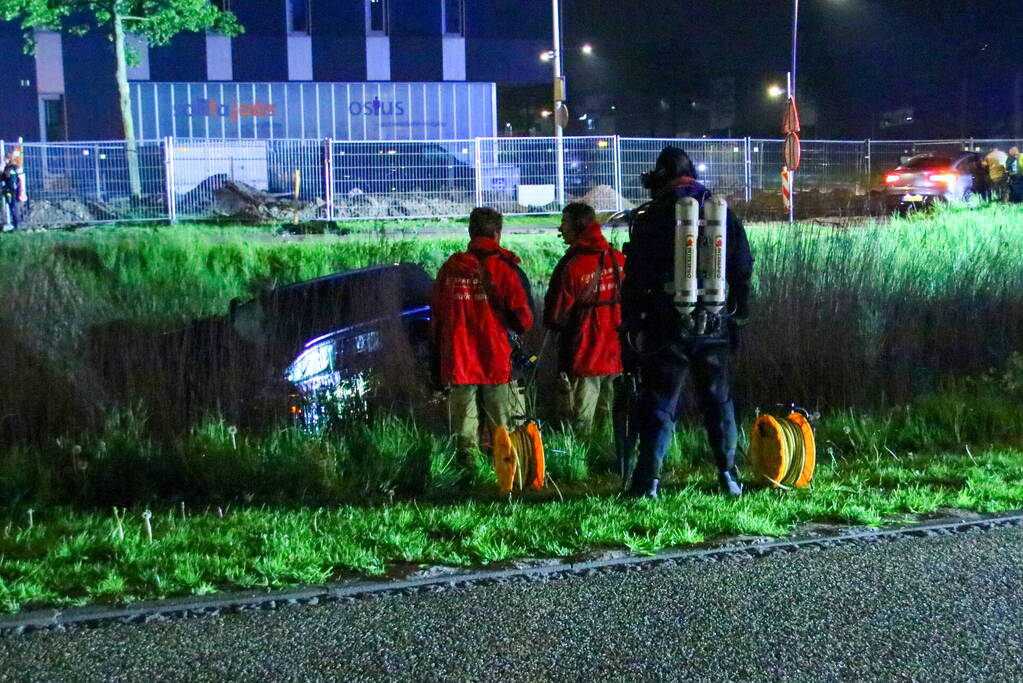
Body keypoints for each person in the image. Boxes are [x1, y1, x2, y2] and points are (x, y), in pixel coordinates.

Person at [621, 146, 754, 498]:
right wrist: (738, 313)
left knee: (660, 401)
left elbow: (635, 277)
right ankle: (729, 476)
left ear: (661, 176)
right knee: (718, 400)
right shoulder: (719, 212)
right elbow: (741, 265)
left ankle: (647, 482)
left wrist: (632, 323)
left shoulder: (654, 215)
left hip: (667, 320)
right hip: (715, 318)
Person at [432, 207, 534, 458]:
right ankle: (508, 479)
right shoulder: (505, 270)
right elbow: (524, 319)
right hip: (497, 361)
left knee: (464, 432)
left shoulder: (449, 270)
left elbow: (437, 317)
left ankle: (470, 476)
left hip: (460, 362)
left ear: (470, 232)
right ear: (497, 234)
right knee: (504, 430)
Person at [543, 202, 625, 436]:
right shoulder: (618, 259)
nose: (561, 229)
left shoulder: (573, 266)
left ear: (578, 226)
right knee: (609, 420)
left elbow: (557, 314)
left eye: (564, 223)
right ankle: (611, 462)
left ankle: (579, 466)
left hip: (585, 355)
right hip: (616, 356)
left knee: (580, 422)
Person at [0, 152, 26, 230]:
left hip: (10, 190)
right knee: (13, 207)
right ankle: (15, 225)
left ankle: (15, 225)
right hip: (15, 190)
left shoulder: (8, 168)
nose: (5, 160)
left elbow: (4, 177)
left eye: (6, 159)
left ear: (8, 159)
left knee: (12, 207)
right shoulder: (16, 168)